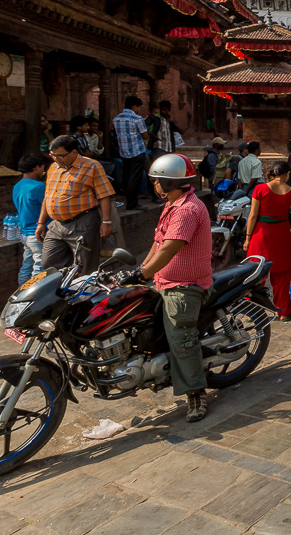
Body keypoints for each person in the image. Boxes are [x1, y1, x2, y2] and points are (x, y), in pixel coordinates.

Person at [111, 154, 214, 422]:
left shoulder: (186, 210)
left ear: (167, 183)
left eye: (156, 181)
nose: (154, 185)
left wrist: (142, 272)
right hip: (162, 280)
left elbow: (170, 248)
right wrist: (139, 274)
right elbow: (158, 244)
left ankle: (195, 393)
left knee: (181, 336)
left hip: (185, 285)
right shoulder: (172, 204)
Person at [36, 135, 116, 275]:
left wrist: (106, 221)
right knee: (49, 263)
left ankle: (82, 293)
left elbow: (104, 195)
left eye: (60, 156)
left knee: (85, 265)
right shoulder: (53, 168)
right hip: (57, 225)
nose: (55, 159)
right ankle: (64, 289)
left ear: (73, 152)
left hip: (83, 223)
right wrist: (41, 223)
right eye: (52, 155)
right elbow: (47, 197)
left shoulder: (91, 166)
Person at [244, 161, 291, 321]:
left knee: (255, 274)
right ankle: (284, 312)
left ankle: (250, 311)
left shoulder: (260, 189)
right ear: (287, 174)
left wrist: (247, 237)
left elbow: (252, 216)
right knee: (282, 275)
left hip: (261, 235)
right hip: (281, 235)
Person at [13, 154, 48, 285]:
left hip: (25, 233)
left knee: (26, 266)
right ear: (36, 167)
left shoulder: (17, 186)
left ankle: (21, 293)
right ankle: (33, 294)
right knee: (40, 267)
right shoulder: (39, 187)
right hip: (38, 233)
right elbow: (48, 207)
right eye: (42, 167)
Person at [112, 96, 149, 210]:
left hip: (123, 152)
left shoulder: (116, 119)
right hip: (137, 151)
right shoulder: (137, 119)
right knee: (135, 179)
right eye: (139, 107)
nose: (139, 110)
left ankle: (129, 201)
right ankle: (132, 204)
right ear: (134, 106)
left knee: (127, 177)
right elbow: (145, 135)